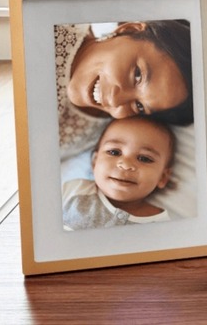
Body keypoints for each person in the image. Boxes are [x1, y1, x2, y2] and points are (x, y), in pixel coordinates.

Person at [56, 20, 193, 159]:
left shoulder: (102, 133)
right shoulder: (48, 32)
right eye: (137, 75)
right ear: (129, 29)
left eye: (139, 106)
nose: (115, 101)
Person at [62, 116, 175, 230]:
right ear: (95, 162)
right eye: (114, 152)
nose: (126, 165)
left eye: (144, 158)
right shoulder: (73, 190)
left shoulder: (162, 227)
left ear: (162, 177)